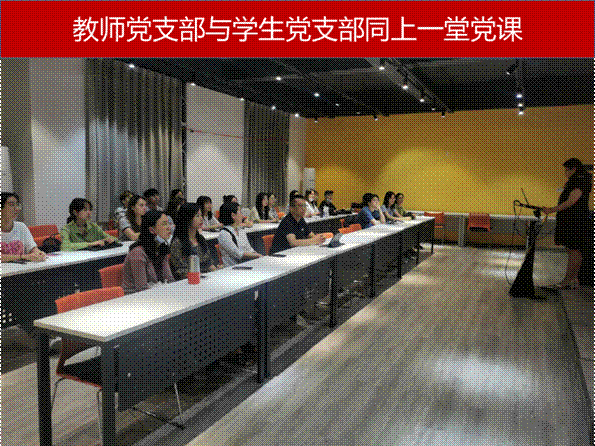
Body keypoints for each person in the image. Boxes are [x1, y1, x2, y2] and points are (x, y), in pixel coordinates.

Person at [542, 158, 592, 289]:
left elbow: (571, 201)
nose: (565, 173)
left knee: (574, 251)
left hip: (575, 221)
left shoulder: (580, 181)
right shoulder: (578, 180)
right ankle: (573, 280)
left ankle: (567, 281)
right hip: (572, 220)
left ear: (574, 169)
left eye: (567, 170)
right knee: (573, 250)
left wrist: (551, 210)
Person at [122, 210, 175, 294]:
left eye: (169, 223)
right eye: (164, 224)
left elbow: (169, 279)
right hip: (136, 298)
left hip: (157, 294)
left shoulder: (161, 247)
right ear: (151, 230)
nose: (169, 227)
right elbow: (142, 289)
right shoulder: (138, 253)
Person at [170, 203, 219, 278]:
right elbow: (181, 271)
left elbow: (208, 263)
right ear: (187, 218)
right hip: (189, 281)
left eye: (201, 215)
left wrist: (216, 272)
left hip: (204, 277)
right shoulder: (178, 243)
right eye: (197, 216)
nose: (201, 219)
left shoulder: (200, 239)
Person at [1, 192, 46, 262]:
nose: (17, 209)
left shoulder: (21, 226)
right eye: (12, 205)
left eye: (17, 205)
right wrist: (22, 256)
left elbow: (32, 248)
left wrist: (38, 253)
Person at [217, 202, 262, 266]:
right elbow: (238, 254)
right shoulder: (224, 234)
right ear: (233, 215)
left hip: (246, 264)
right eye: (240, 212)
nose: (242, 216)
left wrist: (257, 256)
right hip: (233, 268)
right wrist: (258, 255)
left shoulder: (240, 230)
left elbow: (249, 249)